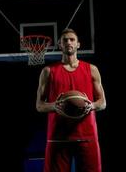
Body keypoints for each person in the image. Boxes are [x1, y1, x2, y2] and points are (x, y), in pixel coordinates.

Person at [36, 28, 106, 172]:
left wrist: (92, 105)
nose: (69, 42)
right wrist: (54, 106)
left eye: (72, 39)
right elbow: (39, 105)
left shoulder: (91, 69)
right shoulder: (48, 71)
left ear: (78, 44)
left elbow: (102, 102)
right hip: (58, 136)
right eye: (65, 40)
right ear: (60, 45)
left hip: (87, 135)